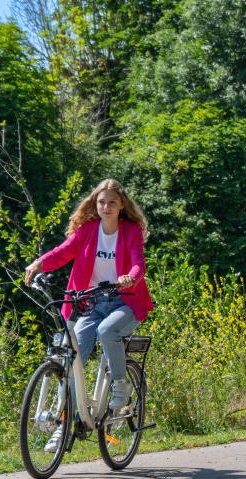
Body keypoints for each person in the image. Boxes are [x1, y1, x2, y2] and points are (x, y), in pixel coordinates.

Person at [24, 179, 153, 451]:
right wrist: (39, 263)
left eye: (112, 203)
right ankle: (64, 424)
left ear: (121, 206)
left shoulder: (130, 231)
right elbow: (63, 252)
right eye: (102, 202)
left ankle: (120, 385)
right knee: (72, 355)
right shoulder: (87, 231)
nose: (106, 207)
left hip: (125, 302)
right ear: (95, 204)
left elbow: (138, 262)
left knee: (108, 332)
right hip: (90, 303)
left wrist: (131, 277)